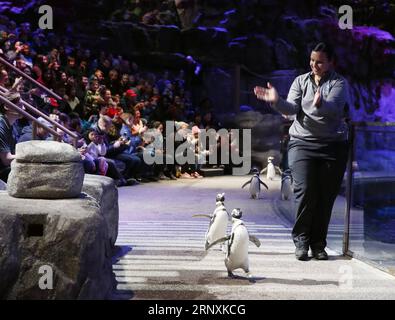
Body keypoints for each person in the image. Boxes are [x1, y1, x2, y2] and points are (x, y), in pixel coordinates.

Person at [254, 42, 349, 261]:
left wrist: (320, 103)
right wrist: (277, 101)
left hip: (333, 145)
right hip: (302, 143)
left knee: (325, 197)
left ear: (330, 63)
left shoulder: (339, 83)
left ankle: (318, 244)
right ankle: (302, 240)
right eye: (312, 60)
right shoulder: (301, 81)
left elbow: (334, 109)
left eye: (320, 61)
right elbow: (292, 108)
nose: (314, 65)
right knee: (305, 191)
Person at [0, 91, 24, 182]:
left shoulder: (12, 125)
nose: (24, 108)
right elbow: (6, 159)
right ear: (7, 106)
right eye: (20, 105)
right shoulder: (1, 125)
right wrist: (30, 155)